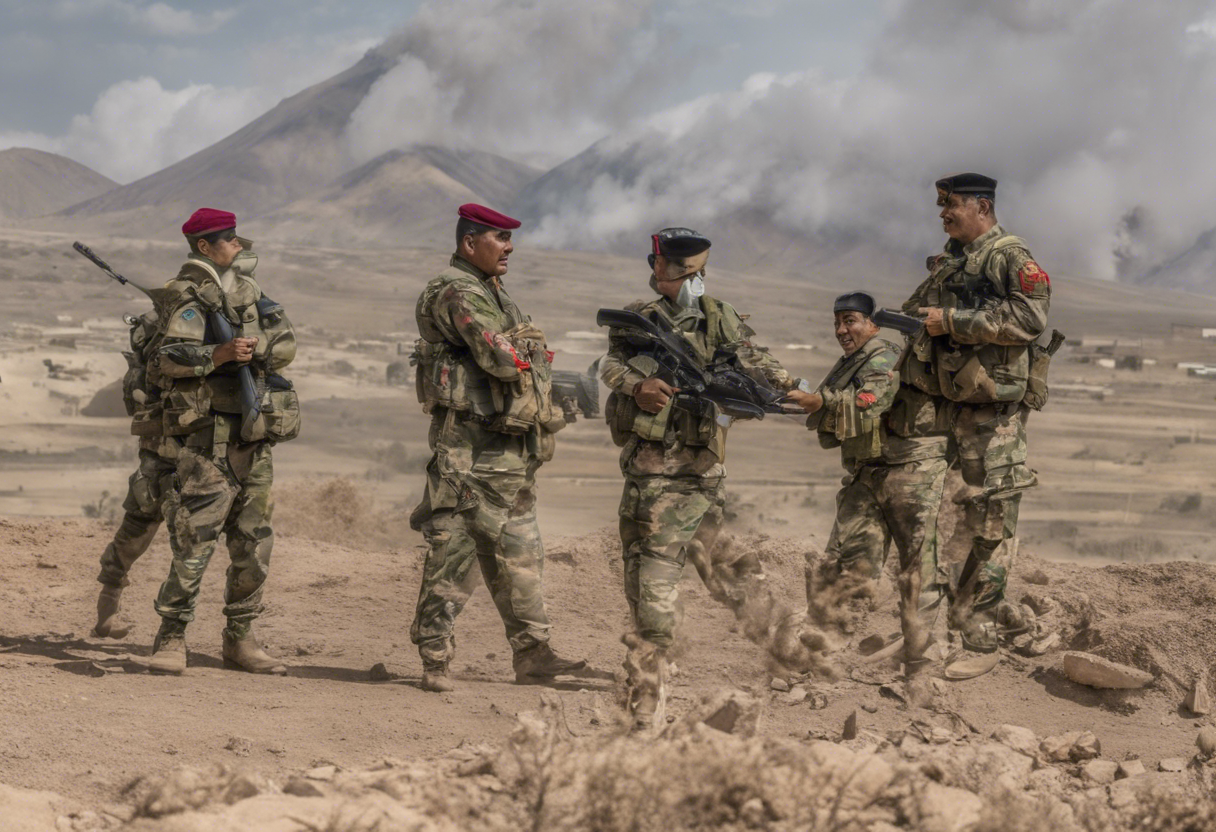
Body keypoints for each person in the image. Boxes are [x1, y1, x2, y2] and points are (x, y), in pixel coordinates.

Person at [600, 227, 819, 728]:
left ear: (684, 272)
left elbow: (756, 361)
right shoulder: (638, 319)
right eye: (660, 265)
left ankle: (647, 697)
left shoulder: (720, 319)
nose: (660, 273)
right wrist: (639, 386)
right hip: (645, 471)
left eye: (672, 268)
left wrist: (797, 391)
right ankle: (785, 646)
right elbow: (612, 366)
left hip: (695, 472)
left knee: (662, 578)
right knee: (664, 571)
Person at [408, 203, 586, 693]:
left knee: (521, 552)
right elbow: (502, 358)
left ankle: (534, 655)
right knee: (457, 549)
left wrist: (524, 349)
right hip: (469, 448)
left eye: (510, 240)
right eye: (499, 239)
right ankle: (435, 655)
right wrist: (525, 349)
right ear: (470, 244)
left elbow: (519, 353)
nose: (509, 248)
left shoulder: (491, 291)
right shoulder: (458, 289)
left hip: (508, 447)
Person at [898, 173, 1051, 680]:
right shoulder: (952, 260)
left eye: (953, 206)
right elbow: (918, 310)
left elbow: (1030, 320)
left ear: (982, 207)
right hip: (947, 408)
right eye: (942, 207)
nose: (944, 214)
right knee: (939, 523)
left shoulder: (1011, 256)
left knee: (989, 524)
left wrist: (955, 322)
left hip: (993, 418)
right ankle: (932, 632)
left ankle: (980, 639)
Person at [146, 208, 300, 675]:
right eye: (228, 239)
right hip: (208, 438)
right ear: (204, 247)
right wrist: (219, 354)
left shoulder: (250, 293)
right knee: (194, 543)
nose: (238, 245)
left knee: (253, 545)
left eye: (236, 238)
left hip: (254, 434)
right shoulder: (186, 296)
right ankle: (171, 638)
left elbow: (287, 343)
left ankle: (241, 638)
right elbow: (168, 358)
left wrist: (255, 349)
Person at [801, 292, 949, 672]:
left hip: (908, 472)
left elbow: (869, 403)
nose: (841, 330)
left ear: (872, 324)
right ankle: (825, 648)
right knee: (850, 561)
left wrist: (819, 403)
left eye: (850, 320)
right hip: (868, 472)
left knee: (918, 565)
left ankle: (922, 655)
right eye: (837, 322)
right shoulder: (850, 363)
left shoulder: (882, 356)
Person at [92, 310, 175, 639]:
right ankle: (107, 613)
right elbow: (138, 405)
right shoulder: (143, 371)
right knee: (134, 534)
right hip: (157, 463)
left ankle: (172, 631)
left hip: (187, 461)